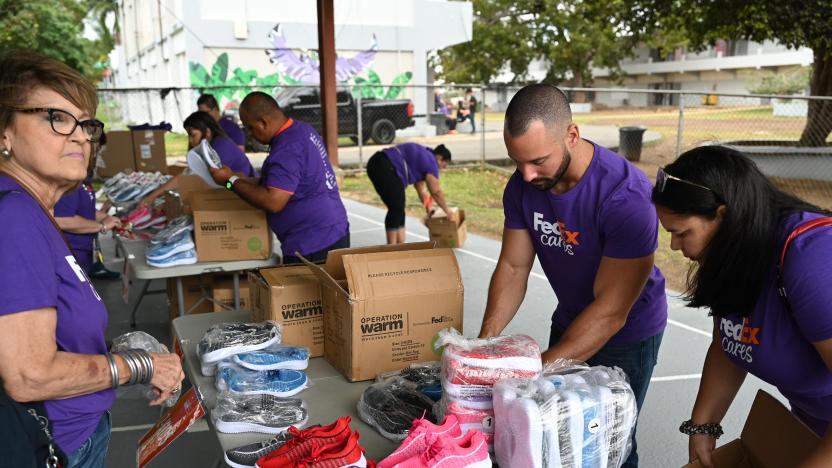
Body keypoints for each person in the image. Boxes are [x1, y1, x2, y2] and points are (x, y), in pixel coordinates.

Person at [0, 51, 184, 468]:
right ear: (4, 133)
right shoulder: (13, 216)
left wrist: (112, 352)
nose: (82, 136)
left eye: (86, 124)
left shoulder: (34, 212)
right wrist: (138, 366)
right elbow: (29, 375)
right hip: (55, 445)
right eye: (57, 118)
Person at [477, 84, 667, 468]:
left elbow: (612, 312)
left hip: (627, 333)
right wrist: (486, 349)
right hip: (569, 320)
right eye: (518, 162)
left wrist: (532, 371)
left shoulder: (625, 197)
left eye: (539, 161)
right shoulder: (523, 185)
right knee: (551, 438)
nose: (527, 175)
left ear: (572, 134)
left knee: (608, 446)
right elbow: (514, 268)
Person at [652, 146, 832, 468]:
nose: (675, 247)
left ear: (724, 215)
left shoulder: (811, 261)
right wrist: (703, 424)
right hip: (813, 423)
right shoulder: (734, 253)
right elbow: (733, 338)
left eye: (681, 233)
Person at [208, 91, 349, 264]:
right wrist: (235, 179)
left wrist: (230, 182)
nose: (250, 134)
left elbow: (273, 201)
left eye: (250, 128)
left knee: (311, 292)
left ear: (264, 122)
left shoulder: (287, 148)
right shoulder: (301, 130)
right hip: (331, 230)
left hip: (313, 243)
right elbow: (282, 182)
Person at [140, 111, 255, 206]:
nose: (190, 140)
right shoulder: (211, 146)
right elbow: (188, 175)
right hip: (234, 189)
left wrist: (152, 197)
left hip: (245, 193)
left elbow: (187, 178)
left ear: (208, 132)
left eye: (193, 135)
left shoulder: (220, 147)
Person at [366, 142, 455, 245]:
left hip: (378, 163)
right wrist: (447, 210)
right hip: (384, 167)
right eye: (445, 164)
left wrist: (429, 208)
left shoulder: (425, 155)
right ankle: (391, 248)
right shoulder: (431, 162)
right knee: (396, 208)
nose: (443, 168)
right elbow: (436, 192)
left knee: (398, 207)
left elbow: (420, 188)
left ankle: (400, 243)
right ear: (439, 158)